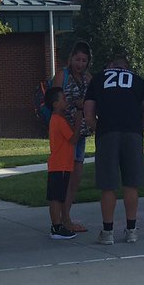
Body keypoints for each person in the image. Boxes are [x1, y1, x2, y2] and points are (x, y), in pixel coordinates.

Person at [84, 50, 144, 245]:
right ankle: (131, 230)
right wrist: (137, 129)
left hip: (107, 131)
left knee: (108, 185)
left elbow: (89, 114)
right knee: (131, 183)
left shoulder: (98, 79)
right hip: (132, 133)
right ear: (127, 68)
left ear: (110, 66)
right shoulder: (139, 81)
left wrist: (101, 129)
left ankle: (108, 232)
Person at [49, 40, 92, 231]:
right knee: (64, 178)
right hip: (64, 134)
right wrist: (76, 103)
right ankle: (62, 221)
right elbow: (53, 101)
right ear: (71, 58)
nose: (80, 64)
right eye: (77, 59)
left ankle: (66, 217)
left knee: (76, 178)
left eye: (84, 60)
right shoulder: (62, 75)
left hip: (79, 133)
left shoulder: (88, 78)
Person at [45, 86, 82, 240]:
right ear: (55, 104)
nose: (66, 101)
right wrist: (79, 122)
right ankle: (57, 226)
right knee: (56, 197)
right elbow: (73, 139)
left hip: (62, 165)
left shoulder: (59, 119)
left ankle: (57, 225)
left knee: (59, 196)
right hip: (59, 165)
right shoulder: (58, 120)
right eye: (63, 99)